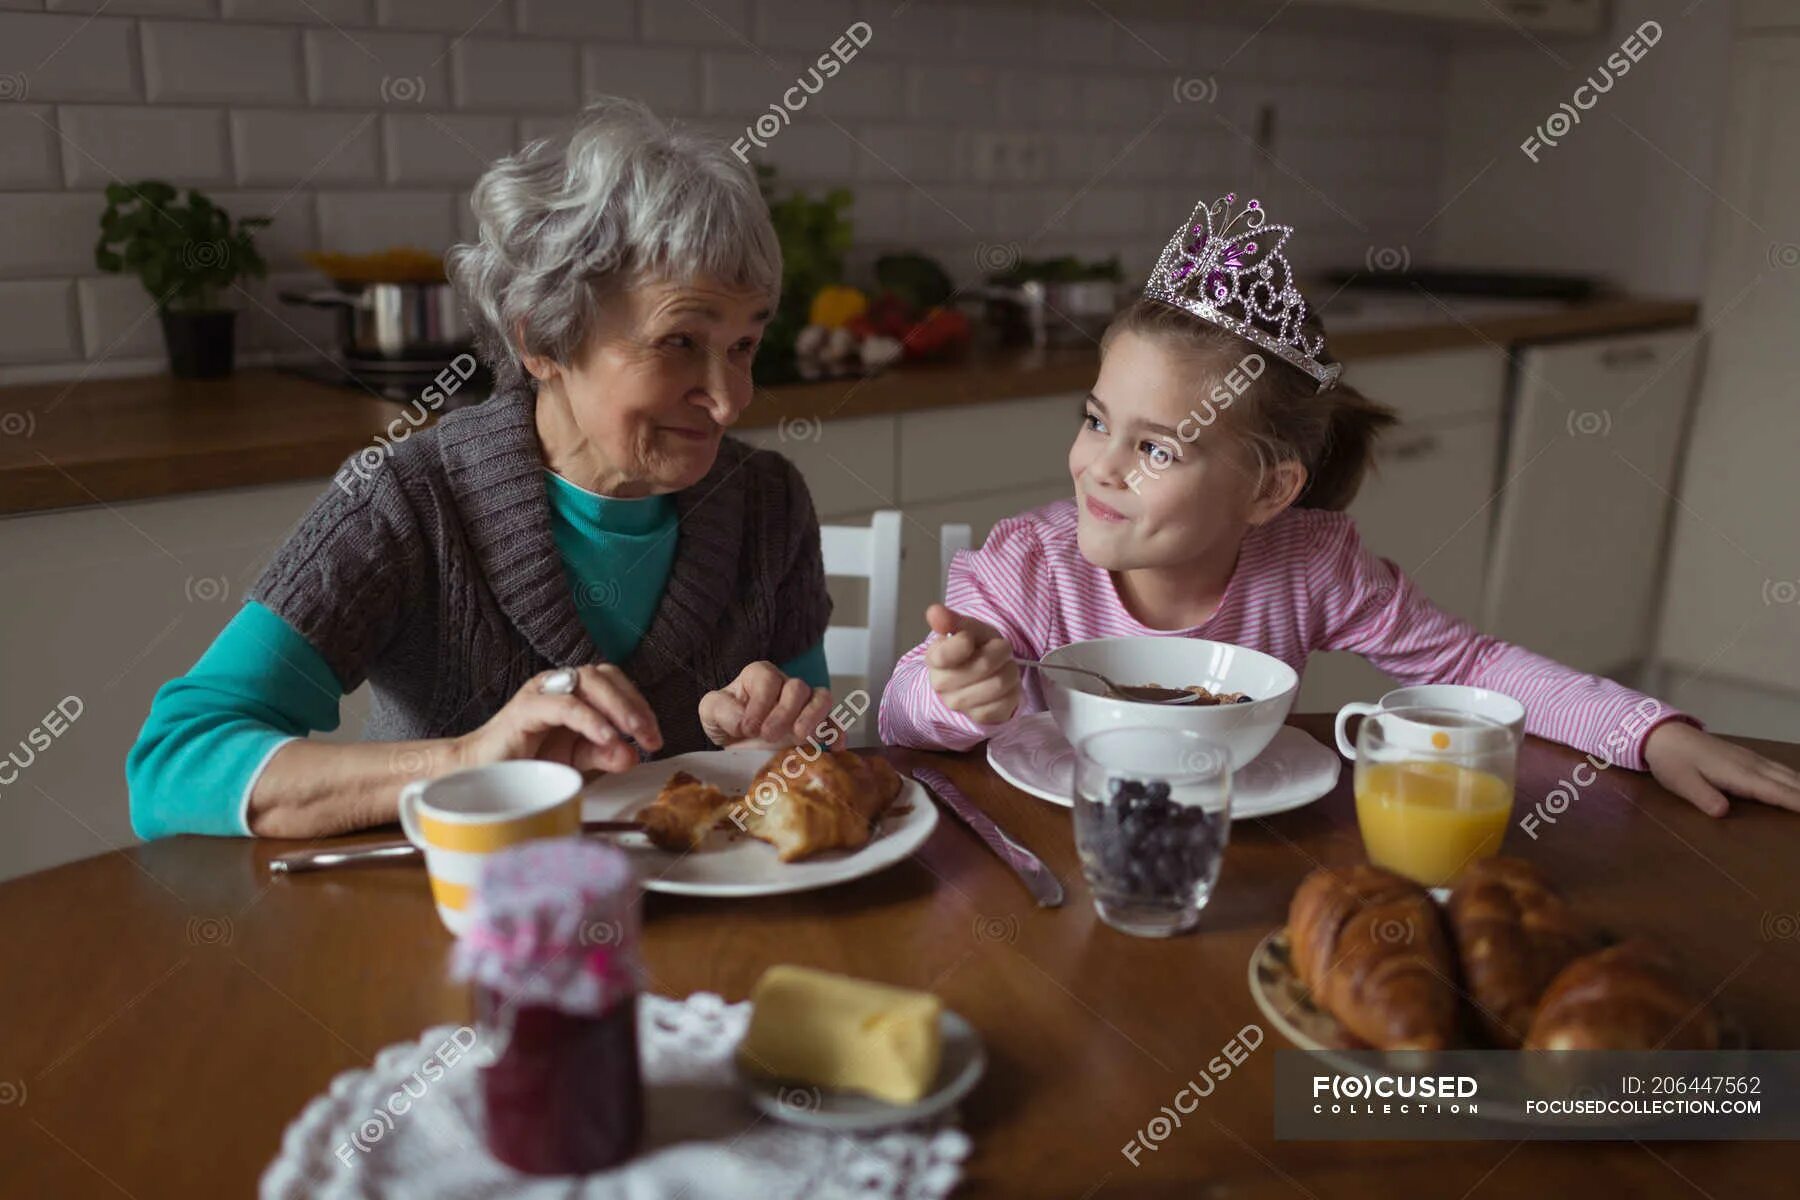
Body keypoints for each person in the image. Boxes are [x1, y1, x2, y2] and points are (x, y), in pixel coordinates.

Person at [878, 192, 1800, 818]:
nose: (1097, 467)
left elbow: (1472, 665)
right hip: (1061, 856)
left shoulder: (1311, 565)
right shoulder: (1029, 569)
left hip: (1249, 846)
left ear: (1271, 491)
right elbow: (898, 718)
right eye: (1095, 420)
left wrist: (1651, 732)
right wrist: (958, 693)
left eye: (1157, 446)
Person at [127, 97, 837, 840]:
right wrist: (466, 759)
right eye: (679, 342)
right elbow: (173, 766)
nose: (728, 400)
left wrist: (771, 742)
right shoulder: (408, 501)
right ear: (542, 341)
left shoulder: (767, 501)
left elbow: (807, 762)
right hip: (465, 933)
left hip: (701, 937)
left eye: (744, 347)